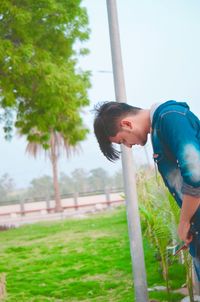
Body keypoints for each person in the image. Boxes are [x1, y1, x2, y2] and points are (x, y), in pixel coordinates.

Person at [93, 100, 200, 279]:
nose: (127, 146)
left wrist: (184, 222)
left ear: (126, 124)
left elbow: (196, 176)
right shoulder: (159, 128)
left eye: (122, 141)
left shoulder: (170, 118)